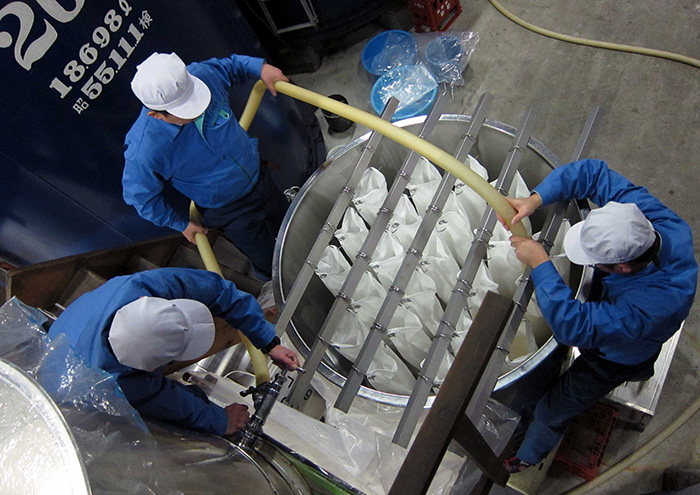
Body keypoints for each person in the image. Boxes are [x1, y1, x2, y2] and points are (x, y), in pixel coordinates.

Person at [503, 159, 697, 473]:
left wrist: (540, 264)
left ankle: (527, 456)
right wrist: (535, 199)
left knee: (551, 412)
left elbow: (572, 326)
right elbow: (592, 172)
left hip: (613, 360)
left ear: (622, 267)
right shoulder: (651, 221)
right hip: (625, 324)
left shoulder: (653, 306)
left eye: (597, 262)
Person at [47, 267, 299, 436]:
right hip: (59, 368)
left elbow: (218, 291)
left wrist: (268, 342)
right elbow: (168, 402)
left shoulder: (142, 286)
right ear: (151, 368)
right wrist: (221, 420)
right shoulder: (113, 384)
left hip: (75, 324)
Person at [122, 52, 290, 280]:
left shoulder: (202, 75)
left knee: (291, 226)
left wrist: (260, 68)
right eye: (186, 110)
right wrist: (179, 224)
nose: (199, 108)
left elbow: (232, 66)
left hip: (260, 177)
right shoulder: (146, 150)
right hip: (230, 211)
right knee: (270, 261)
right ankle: (273, 283)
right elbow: (139, 196)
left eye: (195, 97)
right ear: (157, 115)